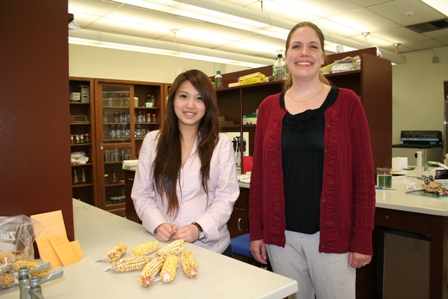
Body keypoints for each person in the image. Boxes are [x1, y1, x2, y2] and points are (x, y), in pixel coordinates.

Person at [249, 22, 376, 299]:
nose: (304, 52)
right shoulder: (268, 107)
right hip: (281, 239)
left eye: (312, 46)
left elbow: (365, 176)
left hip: (332, 238)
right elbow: (258, 177)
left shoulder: (347, 102)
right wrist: (256, 231)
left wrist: (363, 236)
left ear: (323, 57)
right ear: (286, 55)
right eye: (296, 46)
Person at [131, 69, 239, 256]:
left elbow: (225, 197)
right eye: (183, 96)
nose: (190, 105)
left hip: (212, 249)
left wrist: (199, 228)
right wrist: (158, 224)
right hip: (166, 245)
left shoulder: (221, 143)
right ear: (173, 100)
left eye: (199, 98)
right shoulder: (153, 141)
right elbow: (142, 194)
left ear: (208, 105)